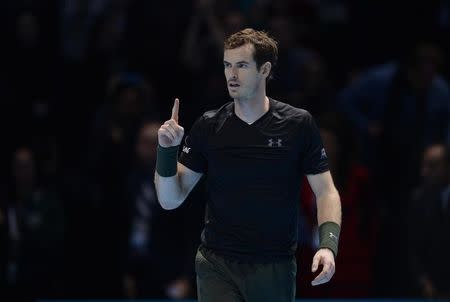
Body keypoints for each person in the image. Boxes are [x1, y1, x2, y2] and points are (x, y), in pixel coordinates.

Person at [154, 28, 342, 302]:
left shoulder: (298, 124)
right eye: (227, 65)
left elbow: (326, 192)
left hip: (274, 266)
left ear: (264, 69)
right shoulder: (208, 126)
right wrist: (166, 152)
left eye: (241, 65)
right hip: (216, 262)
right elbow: (170, 199)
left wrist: (328, 245)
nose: (232, 74)